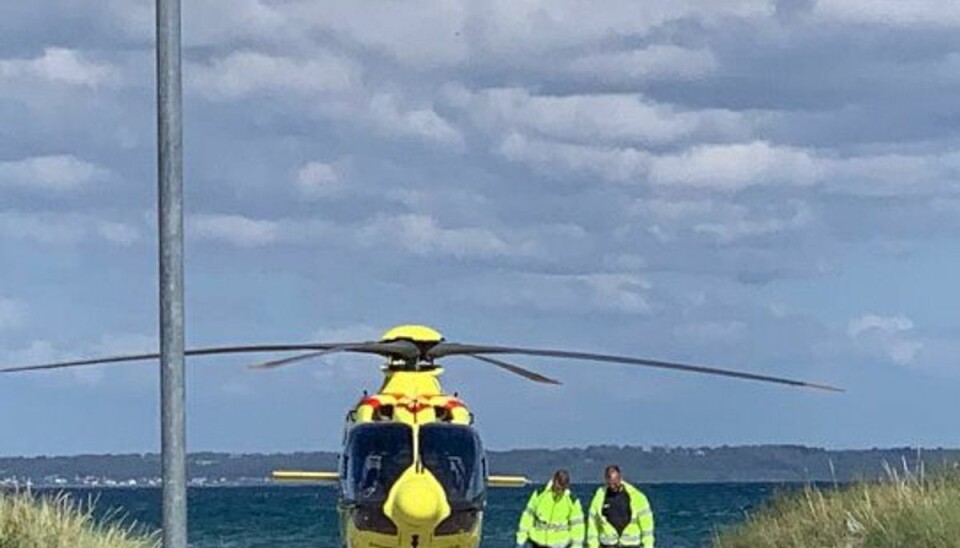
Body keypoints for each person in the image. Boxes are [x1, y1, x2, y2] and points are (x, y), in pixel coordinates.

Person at [586, 465, 654, 547]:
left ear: (620, 478)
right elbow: (592, 526)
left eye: (615, 483)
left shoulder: (638, 498)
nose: (612, 486)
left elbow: (647, 529)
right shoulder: (599, 498)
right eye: (610, 483)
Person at [516, 469, 585, 547]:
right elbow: (527, 518)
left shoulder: (572, 501)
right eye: (558, 488)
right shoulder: (539, 494)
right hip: (536, 544)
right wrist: (520, 541)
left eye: (563, 488)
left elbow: (578, 528)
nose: (560, 491)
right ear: (554, 481)